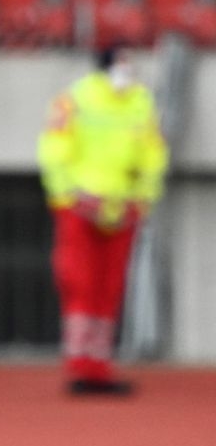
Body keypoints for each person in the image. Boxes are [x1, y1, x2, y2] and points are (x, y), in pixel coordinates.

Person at [36, 45, 168, 395]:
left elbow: (153, 153)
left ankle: (100, 363)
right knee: (79, 282)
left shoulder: (141, 102)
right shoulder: (75, 99)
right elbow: (54, 149)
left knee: (110, 286)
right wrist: (69, 195)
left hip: (122, 208)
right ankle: (79, 363)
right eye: (122, 64)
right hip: (80, 208)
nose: (128, 72)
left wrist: (142, 197)